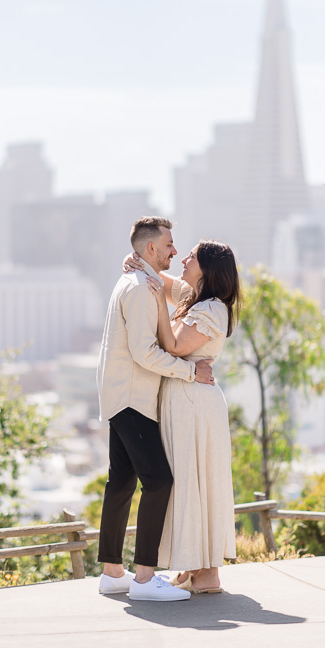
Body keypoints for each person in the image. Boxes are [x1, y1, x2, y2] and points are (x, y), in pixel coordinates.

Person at [97, 216, 215, 602]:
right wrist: (189, 372)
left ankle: (113, 573)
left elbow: (179, 292)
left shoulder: (135, 281)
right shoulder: (140, 288)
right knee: (159, 481)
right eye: (168, 245)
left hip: (120, 396)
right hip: (133, 398)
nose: (174, 251)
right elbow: (145, 352)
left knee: (122, 483)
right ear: (150, 249)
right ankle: (145, 581)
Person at [124, 239, 240, 593]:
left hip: (194, 403)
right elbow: (161, 278)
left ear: (208, 269)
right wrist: (139, 262)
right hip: (184, 399)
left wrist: (159, 300)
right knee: (190, 480)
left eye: (192, 256)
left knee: (196, 481)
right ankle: (196, 567)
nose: (184, 259)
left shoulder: (213, 309)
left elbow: (173, 345)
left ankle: (208, 573)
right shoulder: (195, 298)